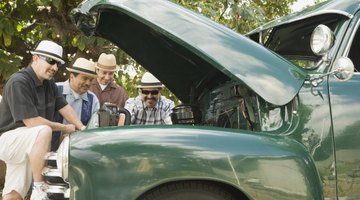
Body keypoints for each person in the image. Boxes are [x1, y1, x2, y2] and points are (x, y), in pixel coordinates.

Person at [0, 40, 85, 200]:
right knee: (44, 130)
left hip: (27, 143)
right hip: (8, 140)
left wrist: (82, 127)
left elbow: (63, 106)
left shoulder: (49, 83)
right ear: (35, 58)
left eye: (57, 64)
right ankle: (39, 188)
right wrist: (64, 127)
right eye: (50, 61)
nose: (54, 67)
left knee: (14, 194)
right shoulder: (19, 81)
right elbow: (31, 122)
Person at [52, 57, 100, 151]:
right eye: (85, 78)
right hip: (48, 148)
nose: (88, 83)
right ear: (72, 76)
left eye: (91, 80)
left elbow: (94, 130)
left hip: (78, 152)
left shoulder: (93, 99)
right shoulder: (55, 90)